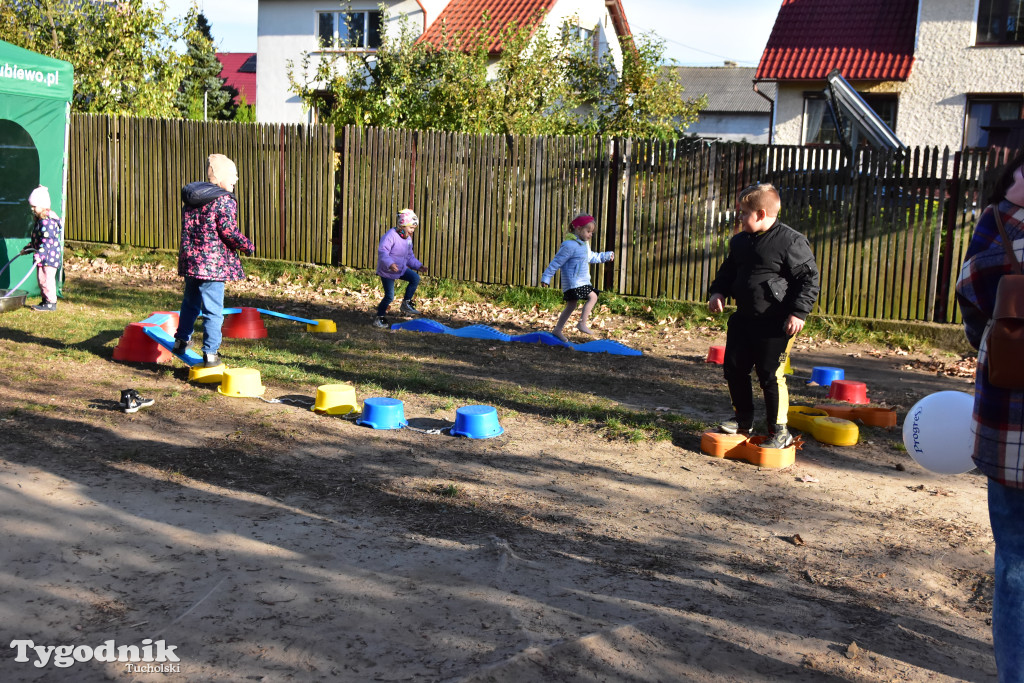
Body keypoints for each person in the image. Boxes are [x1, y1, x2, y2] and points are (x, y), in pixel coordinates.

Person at [955, 148, 1024, 683]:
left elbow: (972, 294)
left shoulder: (1002, 225)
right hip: (1011, 427)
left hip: (1013, 425)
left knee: (1017, 564)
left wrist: (994, 345)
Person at [707, 183, 820, 449]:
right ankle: (742, 420)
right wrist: (718, 292)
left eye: (743, 213)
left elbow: (808, 280)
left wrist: (798, 312)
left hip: (777, 323)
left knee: (770, 374)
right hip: (744, 319)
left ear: (759, 214)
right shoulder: (740, 241)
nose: (739, 218)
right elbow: (728, 271)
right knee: (735, 368)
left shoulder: (791, 241)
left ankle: (780, 431)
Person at [172, 154, 254, 368]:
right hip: (213, 267)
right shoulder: (224, 200)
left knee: (190, 303)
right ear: (220, 177)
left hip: (192, 262)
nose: (236, 180)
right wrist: (247, 245)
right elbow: (228, 231)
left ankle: (181, 340)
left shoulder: (193, 198)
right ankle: (210, 352)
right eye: (233, 175)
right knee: (213, 310)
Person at [540, 213, 614, 342]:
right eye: (588, 231)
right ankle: (581, 323)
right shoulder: (569, 245)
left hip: (581, 281)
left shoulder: (583, 244)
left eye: (592, 232)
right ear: (578, 229)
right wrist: (546, 277)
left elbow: (590, 257)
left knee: (571, 305)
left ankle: (557, 330)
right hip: (574, 282)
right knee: (593, 296)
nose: (590, 235)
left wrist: (605, 256)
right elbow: (556, 262)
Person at [373, 208, 427, 329]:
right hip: (387, 271)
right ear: (402, 225)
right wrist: (390, 264)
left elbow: (409, 256)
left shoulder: (408, 239)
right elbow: (383, 252)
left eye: (414, 228)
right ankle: (379, 318)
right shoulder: (390, 236)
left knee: (415, 278)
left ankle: (406, 303)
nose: (412, 231)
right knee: (389, 296)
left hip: (400, 269)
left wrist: (419, 266)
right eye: (411, 228)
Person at [23, 185, 63, 312]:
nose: (32, 209)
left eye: (34, 206)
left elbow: (47, 242)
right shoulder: (40, 221)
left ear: (42, 205)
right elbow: (38, 241)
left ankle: (51, 303)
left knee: (46, 279)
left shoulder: (47, 222)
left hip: (49, 257)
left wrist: (40, 254)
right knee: (42, 279)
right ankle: (46, 300)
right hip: (43, 256)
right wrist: (28, 248)